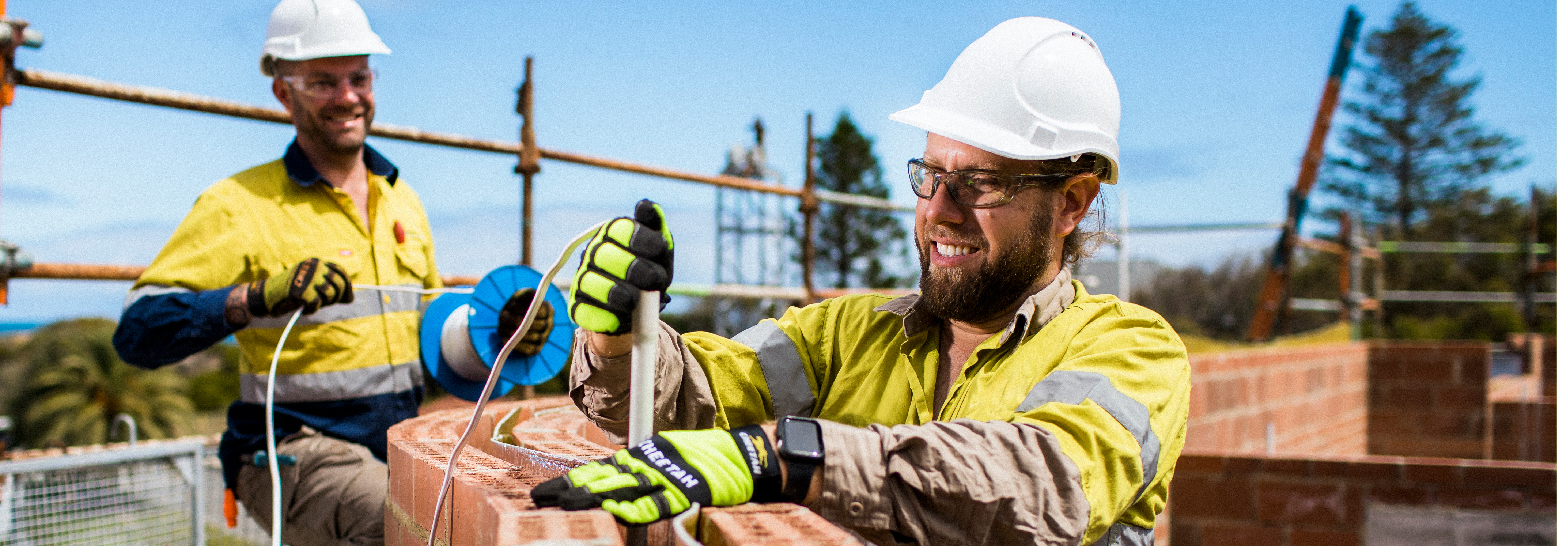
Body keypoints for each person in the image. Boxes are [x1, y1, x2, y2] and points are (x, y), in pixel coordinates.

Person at [532, 17, 1190, 546]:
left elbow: (1044, 484)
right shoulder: (847, 334)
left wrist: (784, 457)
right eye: (928, 175)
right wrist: (617, 339)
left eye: (978, 184)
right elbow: (695, 398)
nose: (938, 208)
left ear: (1070, 202)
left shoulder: (1132, 349)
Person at [109, 0, 468, 543]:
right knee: (403, 522)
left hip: (393, 444)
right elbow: (138, 332)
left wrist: (499, 332)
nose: (348, 97)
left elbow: (433, 337)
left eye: (358, 77)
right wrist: (252, 298)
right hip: (289, 449)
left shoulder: (403, 201)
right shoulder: (238, 204)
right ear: (283, 92)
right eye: (324, 82)